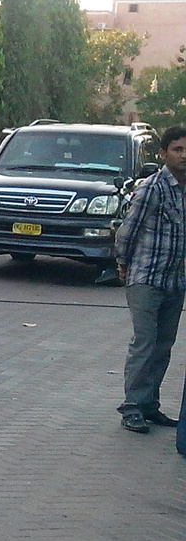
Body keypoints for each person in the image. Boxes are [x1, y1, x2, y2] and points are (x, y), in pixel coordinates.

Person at [116, 124, 186, 433]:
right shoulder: (152, 187)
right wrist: (122, 263)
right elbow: (128, 230)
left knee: (163, 346)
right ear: (163, 153)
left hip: (175, 280)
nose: (184, 155)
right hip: (146, 278)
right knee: (144, 343)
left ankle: (149, 405)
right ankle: (132, 407)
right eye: (178, 150)